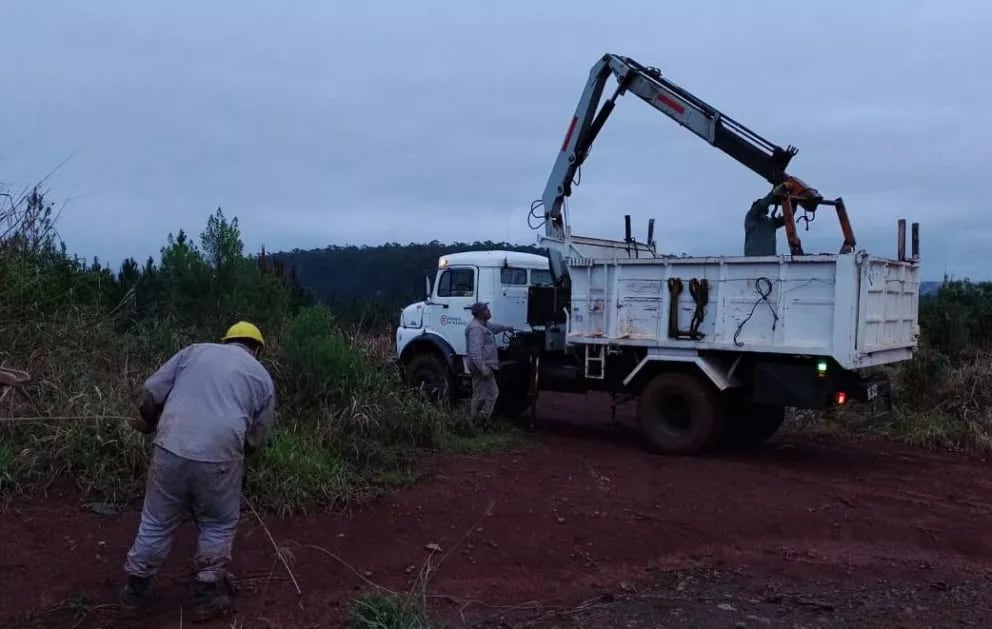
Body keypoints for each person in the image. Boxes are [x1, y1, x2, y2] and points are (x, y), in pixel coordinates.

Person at [119, 321, 276, 622]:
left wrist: (149, 422)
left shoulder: (194, 352)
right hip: (220, 456)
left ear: (227, 340)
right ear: (257, 349)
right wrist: (240, 459)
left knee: (156, 522)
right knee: (217, 524)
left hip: (170, 445)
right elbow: (257, 435)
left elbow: (152, 392)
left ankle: (134, 593)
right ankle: (206, 597)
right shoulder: (262, 377)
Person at [464, 302, 513, 422]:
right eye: (486, 309)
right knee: (481, 395)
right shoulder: (476, 328)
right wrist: (483, 369)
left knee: (491, 393)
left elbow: (494, 328)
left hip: (484, 366)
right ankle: (476, 421)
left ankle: (480, 420)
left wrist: (506, 328)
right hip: (481, 367)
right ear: (480, 313)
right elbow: (475, 352)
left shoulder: (483, 325)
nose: (488, 310)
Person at [744, 182, 790, 256]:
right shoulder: (751, 216)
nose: (767, 206)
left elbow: (787, 219)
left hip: (770, 261)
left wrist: (792, 203)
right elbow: (761, 205)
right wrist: (774, 193)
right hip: (752, 260)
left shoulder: (770, 221)